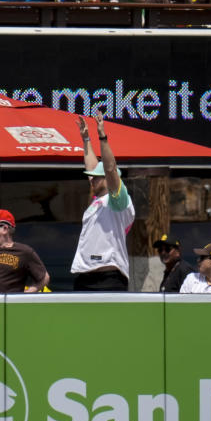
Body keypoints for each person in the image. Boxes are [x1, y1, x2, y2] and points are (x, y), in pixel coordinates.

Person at [71, 115, 135, 291]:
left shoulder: (118, 200)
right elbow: (93, 168)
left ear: (108, 179)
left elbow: (109, 168)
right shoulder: (97, 200)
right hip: (84, 276)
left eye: (97, 179)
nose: (92, 181)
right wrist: (86, 139)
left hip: (109, 278)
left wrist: (102, 138)